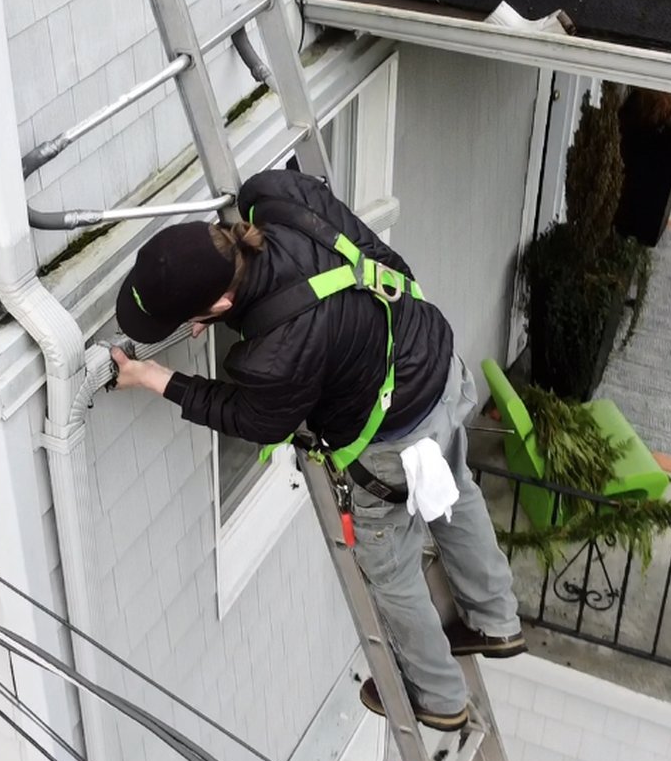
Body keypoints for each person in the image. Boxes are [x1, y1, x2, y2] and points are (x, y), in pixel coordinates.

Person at [111, 168, 524, 731]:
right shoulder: (273, 200)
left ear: (221, 300)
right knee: (454, 490)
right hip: (437, 364)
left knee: (391, 569)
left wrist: (160, 380)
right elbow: (295, 243)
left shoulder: (272, 359)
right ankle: (497, 619)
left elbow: (255, 420)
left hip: (396, 437)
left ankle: (440, 697)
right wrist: (224, 308)